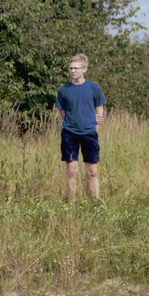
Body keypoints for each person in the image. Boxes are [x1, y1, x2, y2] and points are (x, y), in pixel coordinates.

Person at [54, 54, 107, 200]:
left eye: (76, 68)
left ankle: (94, 202)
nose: (73, 71)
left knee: (92, 172)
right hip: (69, 133)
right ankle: (71, 203)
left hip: (89, 133)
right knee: (72, 171)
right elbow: (62, 111)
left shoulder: (93, 87)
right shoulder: (63, 89)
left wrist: (96, 125)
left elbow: (99, 107)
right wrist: (72, 122)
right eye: (71, 68)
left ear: (84, 69)